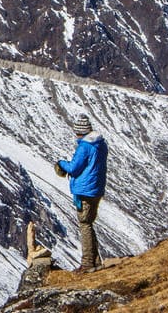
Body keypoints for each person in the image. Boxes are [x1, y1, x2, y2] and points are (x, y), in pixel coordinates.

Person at [54, 113, 108, 270]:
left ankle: (87, 263)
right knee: (89, 223)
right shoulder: (101, 144)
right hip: (97, 188)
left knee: (84, 224)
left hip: (84, 190)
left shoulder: (84, 147)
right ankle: (95, 261)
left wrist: (60, 163)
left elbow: (74, 168)